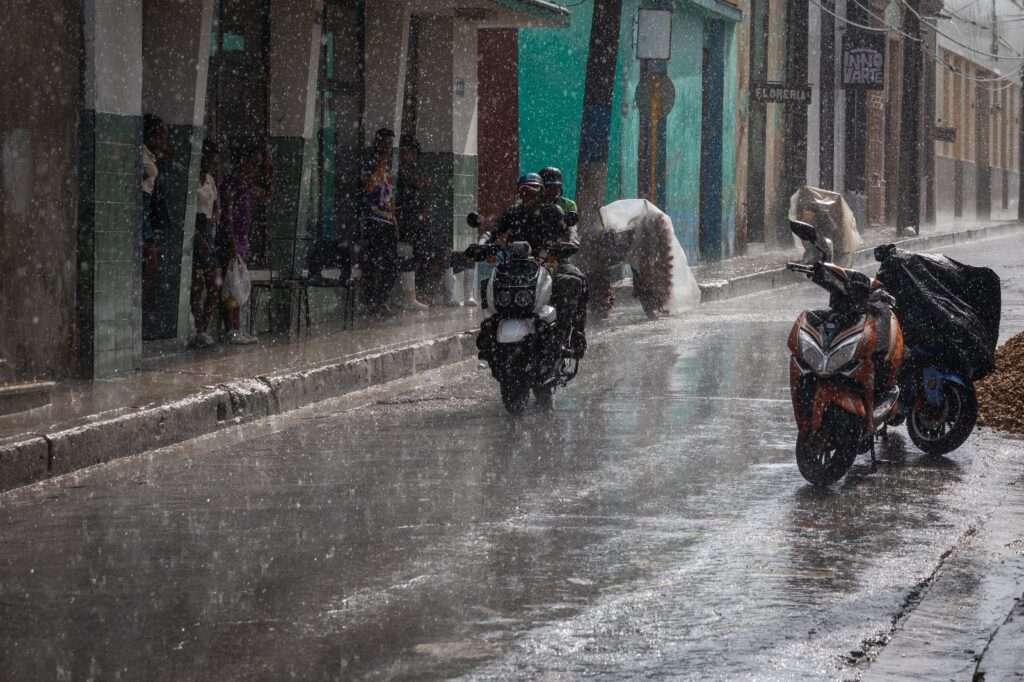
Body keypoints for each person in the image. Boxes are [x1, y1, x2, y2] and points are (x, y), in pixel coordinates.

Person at [478, 173, 588, 357]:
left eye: (533, 192)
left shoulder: (553, 211)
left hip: (549, 263)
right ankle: (488, 332)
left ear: (541, 193)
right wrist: (481, 244)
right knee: (488, 284)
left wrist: (572, 241)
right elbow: (493, 231)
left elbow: (569, 230)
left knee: (575, 281)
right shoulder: (513, 212)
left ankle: (570, 335)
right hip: (514, 268)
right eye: (524, 192)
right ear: (520, 194)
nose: (529, 197)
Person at [218, 143, 274, 344]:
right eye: (254, 163)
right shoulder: (231, 183)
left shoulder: (246, 184)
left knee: (237, 285)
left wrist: (271, 178)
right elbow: (227, 216)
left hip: (242, 240)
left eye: (258, 165)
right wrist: (231, 241)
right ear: (243, 161)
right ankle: (231, 329)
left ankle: (237, 327)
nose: (255, 169)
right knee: (231, 285)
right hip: (232, 239)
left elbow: (266, 197)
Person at [359, 128, 400, 316]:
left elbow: (389, 197)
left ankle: (381, 301)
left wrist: (395, 221)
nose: (388, 147)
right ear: (377, 143)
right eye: (385, 143)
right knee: (372, 263)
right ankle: (371, 303)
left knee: (392, 265)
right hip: (372, 220)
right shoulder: (368, 163)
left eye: (390, 144)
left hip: (387, 223)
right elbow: (368, 186)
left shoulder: (387, 168)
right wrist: (380, 167)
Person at [189, 140, 221, 349]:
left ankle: (203, 329)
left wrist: (214, 219)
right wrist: (198, 236)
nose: (210, 165)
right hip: (195, 231)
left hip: (208, 230)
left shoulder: (210, 181)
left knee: (213, 289)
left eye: (213, 163)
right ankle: (198, 331)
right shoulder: (192, 180)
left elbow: (215, 204)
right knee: (196, 287)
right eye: (208, 161)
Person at [394, 134, 429, 310]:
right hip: (402, 220)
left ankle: (411, 295)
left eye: (414, 152)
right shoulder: (397, 171)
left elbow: (419, 196)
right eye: (409, 151)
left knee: (416, 254)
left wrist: (423, 210)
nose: (412, 156)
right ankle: (407, 297)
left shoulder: (412, 170)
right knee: (406, 252)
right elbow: (401, 196)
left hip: (413, 221)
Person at [141, 114, 169, 303]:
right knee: (151, 267)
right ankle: (137, 305)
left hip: (146, 209)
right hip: (141, 208)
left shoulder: (150, 155)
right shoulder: (141, 154)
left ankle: (138, 304)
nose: (160, 142)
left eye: (163, 138)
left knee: (150, 268)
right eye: (157, 137)